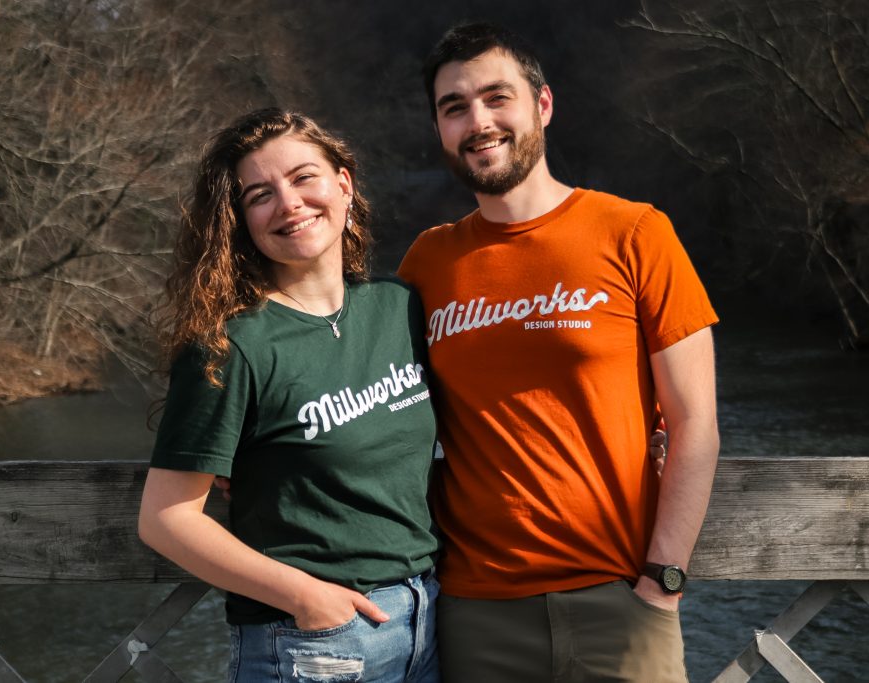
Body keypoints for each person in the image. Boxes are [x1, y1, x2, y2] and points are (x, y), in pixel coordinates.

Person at [396, 22, 720, 682]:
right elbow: (377, 409)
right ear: (439, 128)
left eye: (496, 97)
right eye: (454, 107)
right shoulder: (427, 262)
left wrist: (663, 581)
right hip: (475, 613)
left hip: (622, 601)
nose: (477, 122)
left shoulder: (636, 232)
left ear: (542, 105)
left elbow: (696, 424)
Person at [137, 108, 441, 683]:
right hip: (316, 643)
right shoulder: (231, 345)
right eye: (260, 194)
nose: (289, 203)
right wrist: (306, 597)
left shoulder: (398, 308)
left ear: (343, 184)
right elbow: (166, 518)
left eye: (305, 177)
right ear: (241, 221)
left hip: (429, 621)